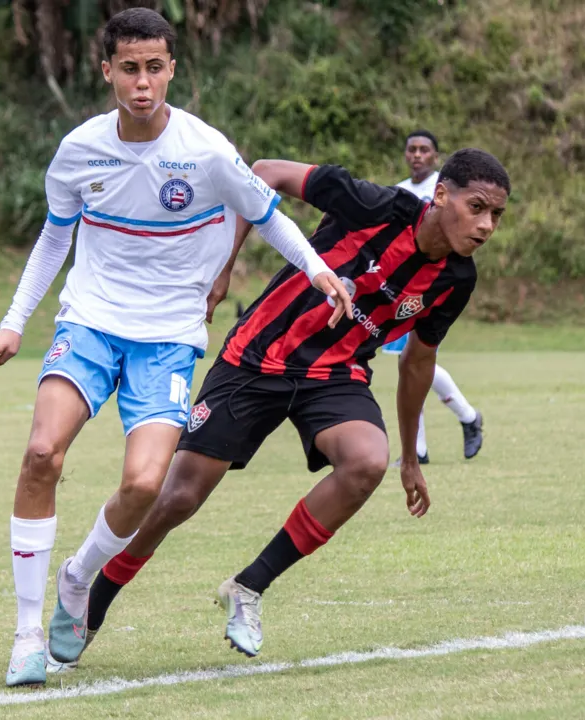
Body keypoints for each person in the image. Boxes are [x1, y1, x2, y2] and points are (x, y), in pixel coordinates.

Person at [0, 8, 350, 687]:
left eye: (155, 68)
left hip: (169, 337)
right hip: (89, 323)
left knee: (144, 483)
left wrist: (317, 269)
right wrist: (14, 322)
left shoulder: (205, 152)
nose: (143, 83)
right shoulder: (80, 150)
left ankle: (78, 580)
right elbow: (56, 237)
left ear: (172, 69)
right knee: (41, 452)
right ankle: (27, 637)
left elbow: (266, 215)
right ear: (106, 70)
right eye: (130, 69)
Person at [79, 149, 511, 661]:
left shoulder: (455, 279)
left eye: (497, 215)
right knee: (179, 497)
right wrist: (224, 266)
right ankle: (96, 595)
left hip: (334, 373)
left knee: (367, 460)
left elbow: (418, 363)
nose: (486, 225)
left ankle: (248, 586)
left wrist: (411, 459)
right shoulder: (376, 206)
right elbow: (262, 174)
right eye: (477, 206)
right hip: (258, 356)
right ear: (441, 194)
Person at [382, 130, 484, 464]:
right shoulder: (399, 191)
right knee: (408, 363)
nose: (417, 155)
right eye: (411, 149)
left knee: (414, 361)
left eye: (424, 149)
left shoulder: (445, 190)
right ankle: (427, 445)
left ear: (436, 157)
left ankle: (466, 418)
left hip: (435, 287)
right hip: (402, 288)